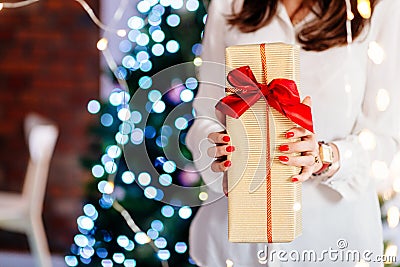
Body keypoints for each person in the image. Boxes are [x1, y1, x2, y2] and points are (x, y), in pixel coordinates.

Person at [185, 0, 400, 266]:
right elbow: (205, 114)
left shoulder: (378, 6)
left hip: (333, 244)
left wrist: (326, 156)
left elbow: (386, 140)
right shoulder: (229, 3)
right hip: (231, 246)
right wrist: (216, 150)